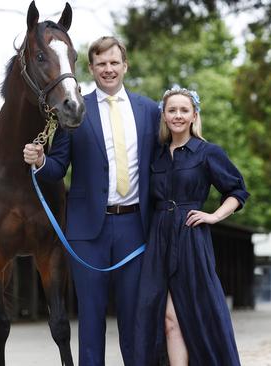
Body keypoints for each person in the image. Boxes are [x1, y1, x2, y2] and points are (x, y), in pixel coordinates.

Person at [23, 36, 161, 366]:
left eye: (114, 62)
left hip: (135, 229)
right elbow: (57, 169)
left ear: (125, 66)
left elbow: (162, 166)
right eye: (101, 64)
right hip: (87, 234)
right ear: (91, 68)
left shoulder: (150, 111)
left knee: (134, 319)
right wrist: (40, 161)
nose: (108, 69)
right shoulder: (74, 108)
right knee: (91, 319)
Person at [133, 86, 249, 366]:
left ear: (194, 115)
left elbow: (237, 191)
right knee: (167, 318)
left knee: (196, 313)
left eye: (184, 110)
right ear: (164, 115)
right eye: (172, 110)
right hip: (159, 240)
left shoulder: (207, 152)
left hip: (190, 240)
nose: (177, 115)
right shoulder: (156, 156)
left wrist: (213, 216)